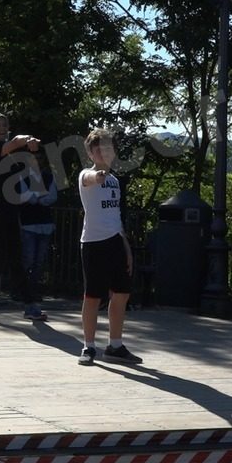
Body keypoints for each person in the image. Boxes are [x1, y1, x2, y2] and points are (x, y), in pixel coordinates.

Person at [77, 128, 142, 366]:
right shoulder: (87, 174)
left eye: (108, 148)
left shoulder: (114, 181)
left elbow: (115, 215)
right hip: (94, 243)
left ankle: (115, 346)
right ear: (91, 153)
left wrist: (125, 246)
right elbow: (91, 179)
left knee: (122, 294)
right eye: (99, 149)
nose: (104, 152)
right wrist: (99, 175)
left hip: (116, 240)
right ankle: (88, 346)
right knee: (93, 296)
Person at [0, 112, 47, 322]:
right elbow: (17, 142)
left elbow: (18, 146)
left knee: (16, 260)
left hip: (8, 211)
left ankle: (30, 306)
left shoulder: (11, 155)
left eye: (3, 125)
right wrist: (29, 140)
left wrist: (30, 143)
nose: (0, 128)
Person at [17, 150, 58, 302]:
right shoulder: (23, 177)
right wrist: (38, 197)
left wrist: (37, 198)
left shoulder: (49, 177)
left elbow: (52, 196)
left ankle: (32, 290)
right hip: (29, 224)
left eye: (39, 158)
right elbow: (24, 196)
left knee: (39, 261)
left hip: (45, 224)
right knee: (28, 258)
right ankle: (22, 289)